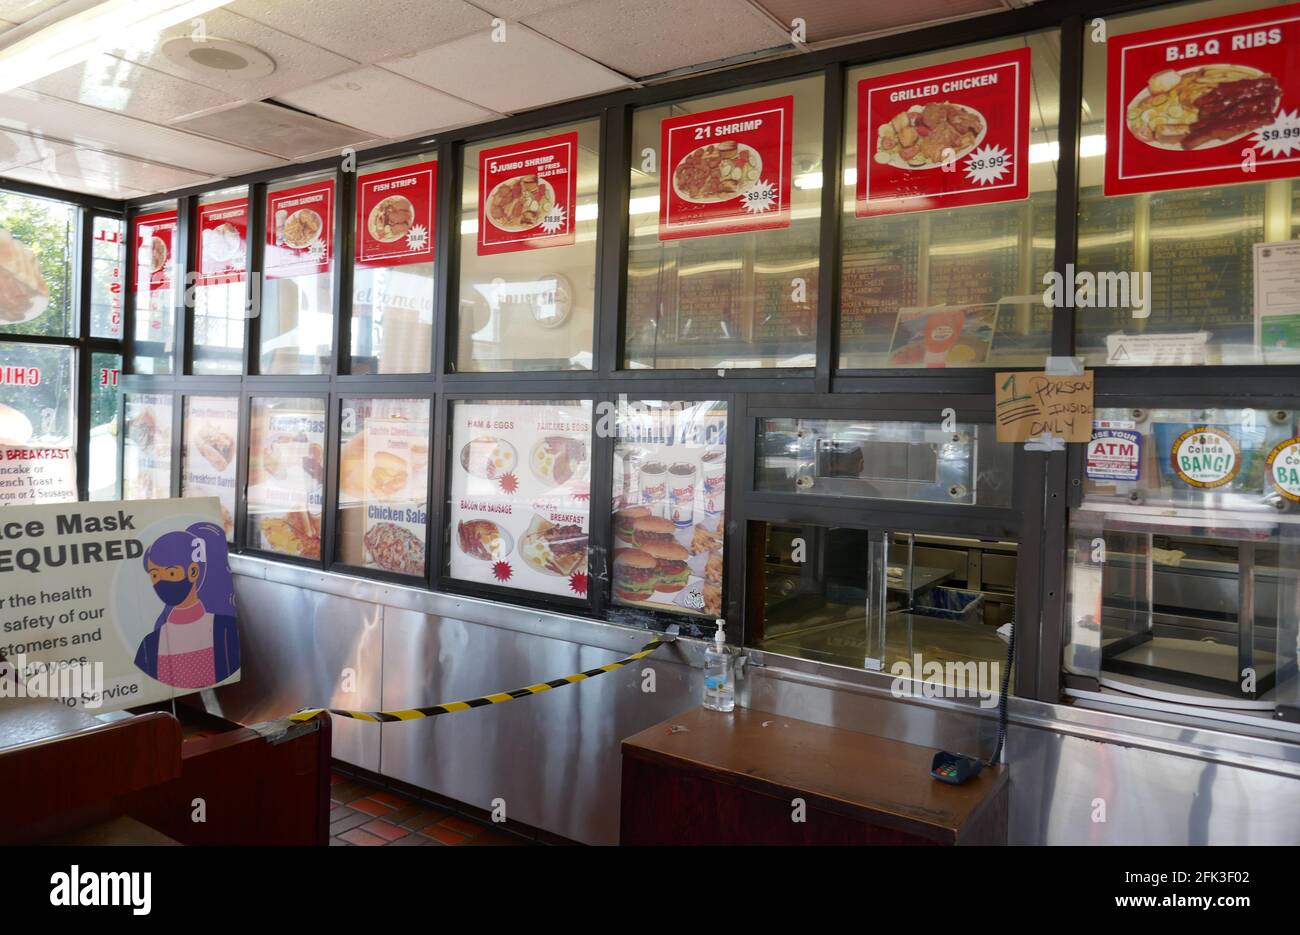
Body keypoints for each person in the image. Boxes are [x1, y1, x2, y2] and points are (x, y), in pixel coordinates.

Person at [134, 522, 239, 688]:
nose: (162, 581)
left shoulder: (226, 630)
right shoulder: (150, 644)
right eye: (154, 575)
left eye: (171, 573)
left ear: (193, 572)